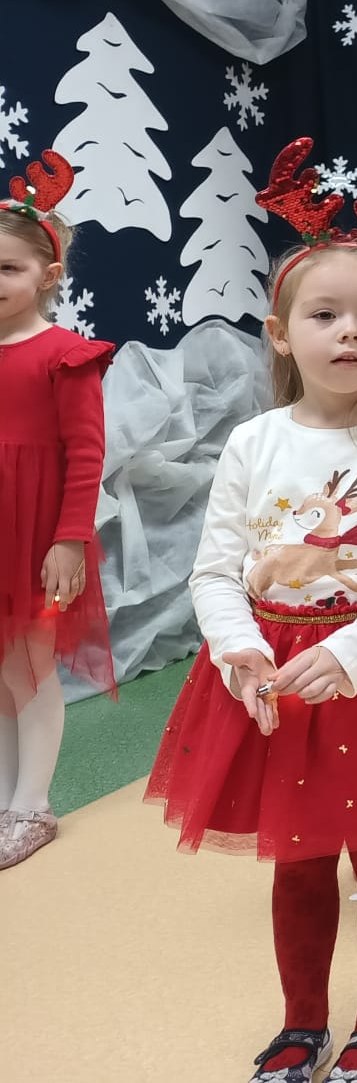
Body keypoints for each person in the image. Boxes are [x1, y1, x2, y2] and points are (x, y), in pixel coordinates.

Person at [145, 141, 357, 1083]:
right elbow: (216, 570)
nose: (351, 333)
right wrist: (239, 650)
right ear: (280, 331)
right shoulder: (253, 442)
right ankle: (302, 1022)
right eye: (326, 314)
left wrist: (349, 653)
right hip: (272, 678)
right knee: (297, 861)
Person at [0, 149, 113, 872]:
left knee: (29, 669)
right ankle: (7, 799)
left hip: (37, 535)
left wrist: (69, 539)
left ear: (47, 275)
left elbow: (86, 453)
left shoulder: (65, 354)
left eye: (7, 269)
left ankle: (33, 805)